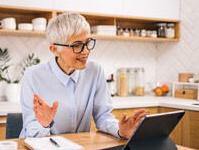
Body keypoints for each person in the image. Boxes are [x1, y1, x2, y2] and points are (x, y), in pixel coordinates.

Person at [19, 12, 147, 139]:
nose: (86, 51)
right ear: (55, 50)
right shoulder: (33, 76)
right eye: (77, 45)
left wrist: (120, 130)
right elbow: (30, 131)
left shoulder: (94, 71)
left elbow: (103, 115)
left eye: (87, 42)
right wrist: (43, 124)